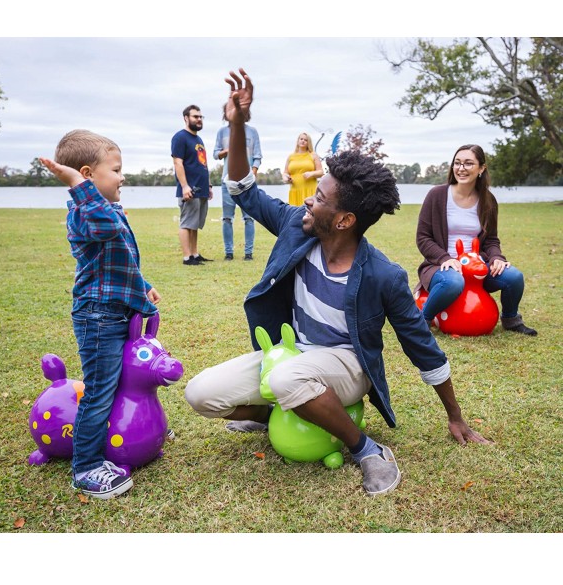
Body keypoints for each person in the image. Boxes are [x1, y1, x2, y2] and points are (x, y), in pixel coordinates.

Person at [185, 69, 490, 497]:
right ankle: (270, 413)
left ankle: (367, 450)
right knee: (201, 394)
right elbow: (243, 189)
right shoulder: (298, 225)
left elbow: (422, 345)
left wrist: (455, 416)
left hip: (346, 366)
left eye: (321, 198)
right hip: (290, 355)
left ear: (345, 220)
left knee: (289, 379)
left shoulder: (382, 274)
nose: (309, 199)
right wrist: (237, 125)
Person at [40, 129, 161, 499]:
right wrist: (77, 185)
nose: (123, 176)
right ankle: (86, 466)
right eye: (117, 169)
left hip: (117, 310)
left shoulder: (105, 209)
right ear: (89, 174)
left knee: (124, 378)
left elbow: (121, 257)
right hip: (97, 318)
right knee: (99, 392)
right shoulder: (84, 213)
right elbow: (107, 231)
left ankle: (137, 427)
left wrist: (141, 285)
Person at [416, 144, 537, 336]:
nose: (461, 168)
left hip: (477, 267)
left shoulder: (488, 200)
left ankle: (511, 319)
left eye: (468, 163)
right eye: (457, 163)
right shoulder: (437, 195)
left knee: (514, 277)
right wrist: (445, 258)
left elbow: (491, 239)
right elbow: (423, 237)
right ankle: (422, 321)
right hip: (442, 266)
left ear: (481, 168)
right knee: (453, 282)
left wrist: (497, 258)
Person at [214, 105, 262, 260]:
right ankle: (229, 253)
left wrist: (252, 176)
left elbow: (257, 156)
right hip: (227, 182)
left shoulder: (252, 132)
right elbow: (216, 154)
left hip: (247, 183)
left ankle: (249, 253)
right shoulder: (221, 132)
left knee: (249, 218)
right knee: (227, 218)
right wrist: (227, 151)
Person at [171, 105, 213, 266]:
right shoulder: (180, 137)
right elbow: (178, 163)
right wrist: (185, 186)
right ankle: (187, 257)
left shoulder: (198, 139)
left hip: (201, 188)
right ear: (186, 118)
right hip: (189, 188)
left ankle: (195, 253)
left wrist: (208, 185)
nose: (199, 119)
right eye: (195, 116)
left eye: (201, 117)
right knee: (187, 223)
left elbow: (202, 163)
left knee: (195, 224)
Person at [282, 132, 324, 206]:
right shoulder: (291, 157)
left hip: (310, 191)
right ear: (298, 141)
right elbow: (285, 173)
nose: (303, 141)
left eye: (306, 140)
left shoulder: (313, 155)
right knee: (295, 214)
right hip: (295, 191)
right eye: (301, 139)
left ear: (308, 143)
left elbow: (321, 172)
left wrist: (311, 174)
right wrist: (286, 178)